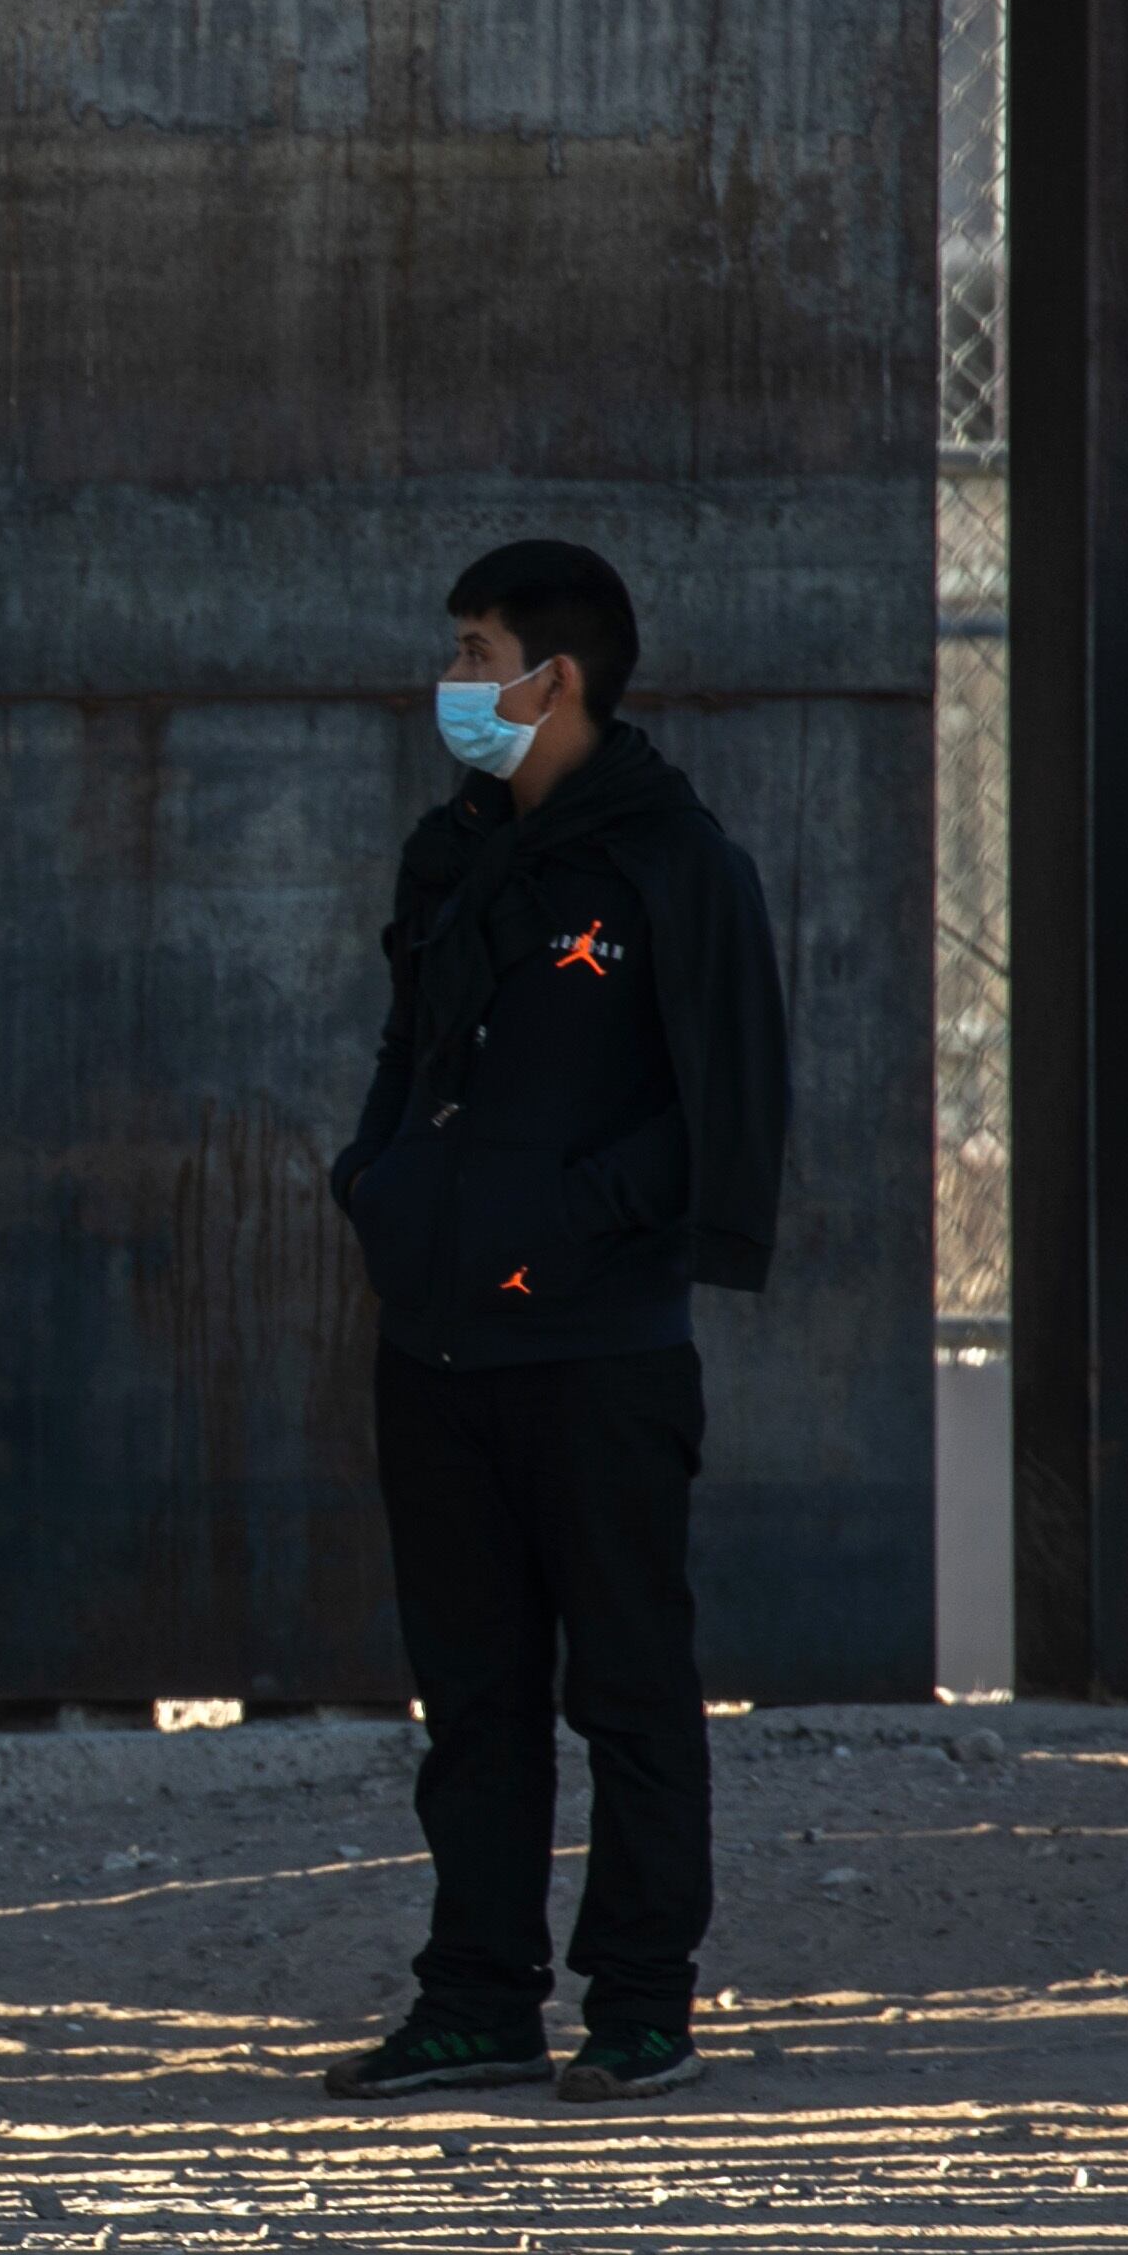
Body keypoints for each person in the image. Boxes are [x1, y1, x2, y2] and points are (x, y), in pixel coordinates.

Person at [320, 542, 787, 2108]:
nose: (452, 677)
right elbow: (408, 1051)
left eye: (474, 647)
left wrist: (568, 1224)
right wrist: (377, 1186)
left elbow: (722, 1111)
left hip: (596, 1355)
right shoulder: (447, 854)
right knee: (471, 1697)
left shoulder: (673, 865)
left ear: (555, 676)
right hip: (435, 1346)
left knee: (630, 1687)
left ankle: (641, 1996)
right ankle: (476, 1996)